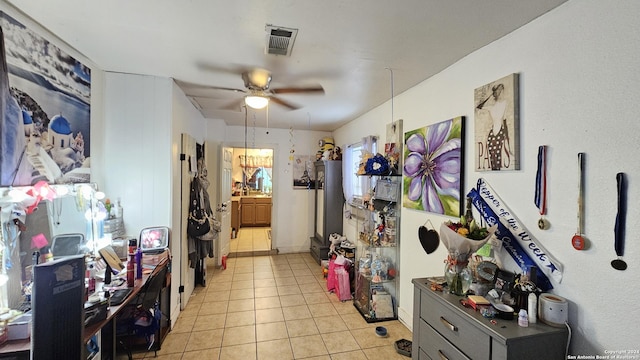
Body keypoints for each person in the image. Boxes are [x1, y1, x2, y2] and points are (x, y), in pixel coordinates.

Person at [477, 83, 512, 170]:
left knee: (499, 157)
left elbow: (504, 121)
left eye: (500, 90)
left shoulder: (504, 103)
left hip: (500, 132)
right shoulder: (491, 107)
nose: (499, 93)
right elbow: (479, 107)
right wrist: (488, 97)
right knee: (492, 157)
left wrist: (507, 138)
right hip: (492, 134)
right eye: (497, 91)